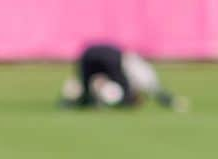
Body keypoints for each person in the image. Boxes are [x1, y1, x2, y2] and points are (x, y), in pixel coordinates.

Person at [58, 44, 189, 111]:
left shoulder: (136, 71)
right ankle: (78, 102)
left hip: (88, 55)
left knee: (85, 84)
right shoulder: (135, 69)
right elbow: (150, 88)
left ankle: (75, 102)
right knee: (122, 87)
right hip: (109, 58)